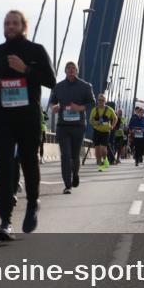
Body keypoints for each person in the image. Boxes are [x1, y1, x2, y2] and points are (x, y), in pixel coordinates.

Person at [0, 9, 55, 241]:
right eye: (7, 23)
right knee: (5, 169)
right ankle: (6, 222)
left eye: (15, 23)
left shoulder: (36, 50)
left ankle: (33, 202)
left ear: (24, 26)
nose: (10, 27)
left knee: (29, 163)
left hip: (29, 119)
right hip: (5, 119)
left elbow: (51, 81)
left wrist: (25, 69)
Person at [48, 61, 94, 193]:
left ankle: (75, 174)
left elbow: (92, 104)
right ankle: (67, 184)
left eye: (73, 68)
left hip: (78, 126)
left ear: (77, 71)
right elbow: (52, 102)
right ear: (65, 70)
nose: (71, 69)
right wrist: (53, 107)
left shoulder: (85, 86)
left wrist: (79, 108)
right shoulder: (58, 86)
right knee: (65, 155)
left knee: (74, 155)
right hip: (63, 126)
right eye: (68, 68)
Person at [89, 95, 117, 172]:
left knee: (103, 150)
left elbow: (115, 118)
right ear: (97, 101)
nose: (101, 102)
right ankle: (100, 164)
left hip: (106, 132)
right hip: (97, 131)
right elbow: (90, 121)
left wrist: (112, 126)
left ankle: (105, 160)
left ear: (105, 101)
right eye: (99, 100)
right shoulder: (94, 110)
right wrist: (96, 122)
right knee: (97, 149)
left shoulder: (109, 109)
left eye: (102, 100)